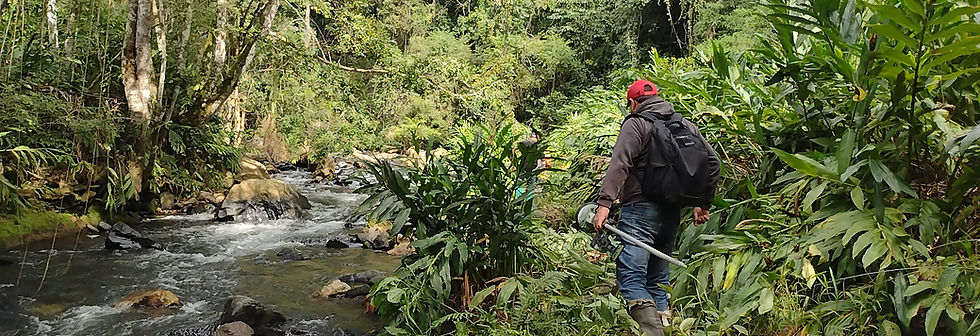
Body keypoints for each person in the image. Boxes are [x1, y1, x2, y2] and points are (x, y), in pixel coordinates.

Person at [592, 79, 720, 336]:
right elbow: (714, 162)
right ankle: (666, 326)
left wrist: (604, 204)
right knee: (658, 279)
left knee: (631, 276)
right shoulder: (684, 124)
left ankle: (654, 333)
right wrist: (702, 203)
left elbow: (620, 163)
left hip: (640, 210)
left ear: (632, 103)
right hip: (671, 213)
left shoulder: (637, 123)